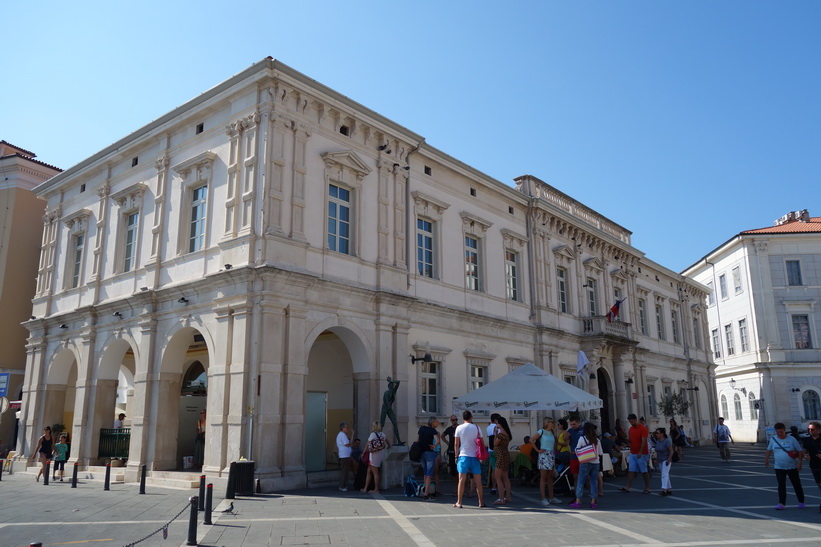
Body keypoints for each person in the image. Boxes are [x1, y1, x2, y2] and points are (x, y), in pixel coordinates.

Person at [764, 422, 806, 510]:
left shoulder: (792, 439)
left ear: (784, 431)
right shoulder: (773, 439)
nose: (779, 434)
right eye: (778, 432)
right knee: (781, 485)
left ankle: (801, 501)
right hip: (779, 467)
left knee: (796, 484)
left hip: (792, 466)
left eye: (781, 432)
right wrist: (766, 459)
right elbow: (769, 450)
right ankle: (781, 503)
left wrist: (800, 463)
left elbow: (799, 451)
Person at [453, 410, 485, 508]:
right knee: (478, 481)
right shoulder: (477, 427)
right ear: (471, 418)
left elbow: (456, 444)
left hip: (463, 456)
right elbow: (482, 443)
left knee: (461, 479)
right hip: (474, 456)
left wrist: (456, 455)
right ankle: (481, 502)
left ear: (463, 418)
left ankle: (460, 502)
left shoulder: (459, 428)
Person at [570, 422, 602, 509]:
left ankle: (578, 501)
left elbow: (577, 450)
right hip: (595, 462)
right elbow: (600, 452)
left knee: (581, 481)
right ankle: (593, 502)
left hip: (585, 462)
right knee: (593, 481)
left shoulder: (582, 438)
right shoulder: (597, 440)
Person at [531, 417, 562, 506]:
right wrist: (537, 450)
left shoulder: (552, 432)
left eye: (552, 422)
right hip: (544, 455)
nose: (552, 423)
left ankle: (551, 497)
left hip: (551, 454)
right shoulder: (541, 431)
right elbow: (531, 440)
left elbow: (555, 442)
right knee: (543, 477)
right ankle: (543, 498)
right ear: (547, 423)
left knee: (550, 477)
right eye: (550, 422)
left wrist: (554, 449)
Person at [619, 413, 651, 494]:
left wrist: (640, 451)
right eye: (630, 421)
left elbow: (644, 441)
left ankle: (647, 487)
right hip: (633, 452)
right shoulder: (631, 429)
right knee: (631, 470)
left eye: (632, 421)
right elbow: (631, 440)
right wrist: (627, 441)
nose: (631, 423)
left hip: (642, 453)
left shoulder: (642, 428)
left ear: (635, 419)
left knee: (644, 470)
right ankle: (628, 486)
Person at [362, 421, 390, 494]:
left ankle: (376, 489)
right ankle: (365, 488)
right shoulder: (382, 434)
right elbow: (388, 441)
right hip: (379, 454)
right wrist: (389, 446)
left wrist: (363, 453)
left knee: (375, 472)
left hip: (373, 454)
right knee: (369, 471)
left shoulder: (373, 434)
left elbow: (367, 444)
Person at [417, 417, 440, 499]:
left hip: (421, 453)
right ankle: (426, 493)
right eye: (437, 422)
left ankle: (423, 490)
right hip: (429, 453)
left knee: (425, 472)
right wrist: (435, 446)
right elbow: (437, 440)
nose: (438, 423)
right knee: (429, 474)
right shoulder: (433, 430)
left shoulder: (422, 428)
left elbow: (418, 440)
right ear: (433, 422)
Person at [492, 416, 512, 505]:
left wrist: (495, 434)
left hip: (500, 457)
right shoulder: (507, 434)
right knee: (505, 477)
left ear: (500, 424)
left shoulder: (500, 435)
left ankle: (501, 498)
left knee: (498, 478)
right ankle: (508, 496)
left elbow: (495, 444)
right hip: (506, 456)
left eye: (497, 423)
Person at [802, 421, 821, 513]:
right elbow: (804, 452)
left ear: (818, 430)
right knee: (819, 484)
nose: (810, 431)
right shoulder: (807, 440)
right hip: (813, 465)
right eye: (809, 429)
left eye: (812, 429)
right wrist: (805, 456)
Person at [379, 377, 402, 444]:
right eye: (391, 385)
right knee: (382, 424)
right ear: (389, 387)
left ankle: (399, 441)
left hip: (389, 408)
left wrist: (391, 381)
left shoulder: (393, 392)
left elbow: (398, 382)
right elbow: (386, 402)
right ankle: (378, 439)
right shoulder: (386, 393)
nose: (392, 386)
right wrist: (389, 409)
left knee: (395, 423)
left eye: (392, 385)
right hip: (385, 408)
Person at [336, 422, 355, 491]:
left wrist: (352, 435)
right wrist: (352, 435)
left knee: (345, 471)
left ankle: (343, 485)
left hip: (345, 455)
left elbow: (349, 443)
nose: (347, 429)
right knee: (344, 471)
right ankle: (342, 486)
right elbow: (348, 444)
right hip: (344, 455)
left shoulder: (342, 435)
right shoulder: (342, 435)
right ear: (342, 428)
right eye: (346, 427)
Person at [654, 428, 673, 496]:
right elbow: (657, 451)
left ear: (662, 434)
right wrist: (656, 459)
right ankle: (669, 489)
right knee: (665, 474)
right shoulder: (658, 441)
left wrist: (669, 459)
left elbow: (671, 451)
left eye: (657, 433)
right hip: (660, 460)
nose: (656, 434)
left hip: (666, 459)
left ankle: (664, 490)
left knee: (664, 474)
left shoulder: (666, 441)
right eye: (656, 433)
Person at [567, 415, 585, 485]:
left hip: (583, 455)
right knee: (575, 476)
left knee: (586, 476)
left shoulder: (583, 430)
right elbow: (566, 442)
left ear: (578, 423)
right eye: (571, 424)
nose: (572, 426)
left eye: (574, 424)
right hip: (574, 456)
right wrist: (566, 437)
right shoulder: (570, 431)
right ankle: (576, 493)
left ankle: (591, 493)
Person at [442, 414, 459, 482]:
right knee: (452, 464)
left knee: (459, 463)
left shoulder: (460, 427)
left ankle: (458, 477)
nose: (455, 421)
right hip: (451, 448)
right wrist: (447, 442)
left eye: (456, 420)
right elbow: (442, 436)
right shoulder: (449, 429)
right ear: (451, 421)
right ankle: (453, 478)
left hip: (459, 448)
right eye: (453, 420)